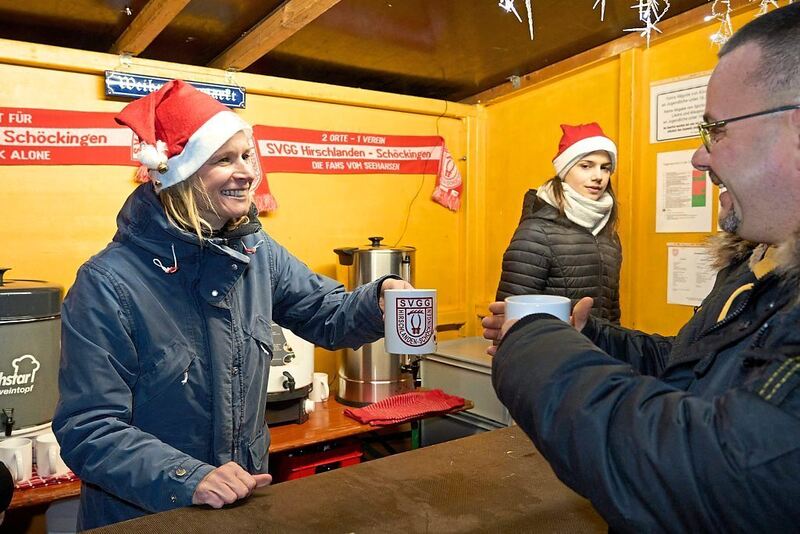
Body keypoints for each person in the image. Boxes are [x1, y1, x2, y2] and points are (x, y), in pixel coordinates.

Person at [483, 4, 800, 532]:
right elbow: (692, 368)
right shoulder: (754, 263)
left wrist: (534, 340)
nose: (700, 157)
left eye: (715, 130)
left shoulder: (613, 232)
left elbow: (710, 472)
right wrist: (592, 338)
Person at [52, 80, 411, 530]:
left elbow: (326, 313)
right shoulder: (107, 283)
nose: (245, 172)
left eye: (246, 156)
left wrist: (378, 300)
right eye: (223, 159)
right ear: (179, 175)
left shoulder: (256, 252)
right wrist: (189, 478)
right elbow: (89, 429)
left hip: (242, 503)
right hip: (145, 517)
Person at [496, 123, 622, 324]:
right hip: (551, 343)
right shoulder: (536, 232)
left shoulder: (609, 236)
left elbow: (612, 312)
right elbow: (511, 319)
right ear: (565, 169)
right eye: (586, 166)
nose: (598, 176)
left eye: (605, 168)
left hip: (597, 344)